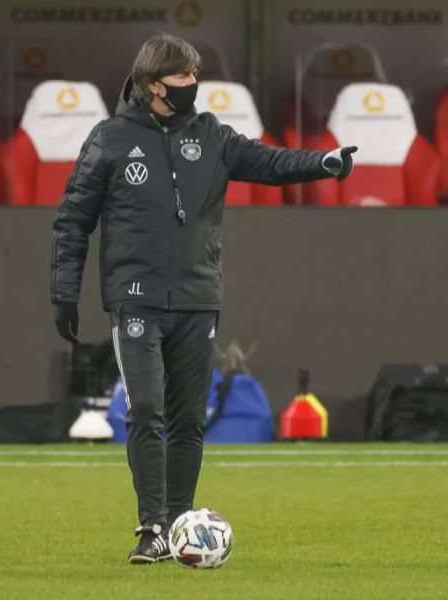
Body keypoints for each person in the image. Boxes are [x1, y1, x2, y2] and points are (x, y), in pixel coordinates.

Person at [49, 34, 356, 564]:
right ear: (151, 85)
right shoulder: (109, 138)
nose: (194, 84)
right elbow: (74, 219)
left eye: (195, 74)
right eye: (183, 77)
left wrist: (322, 163)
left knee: (188, 418)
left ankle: (177, 522)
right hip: (135, 299)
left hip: (197, 299)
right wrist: (64, 291)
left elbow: (270, 162)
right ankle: (151, 527)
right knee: (146, 409)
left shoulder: (212, 135)